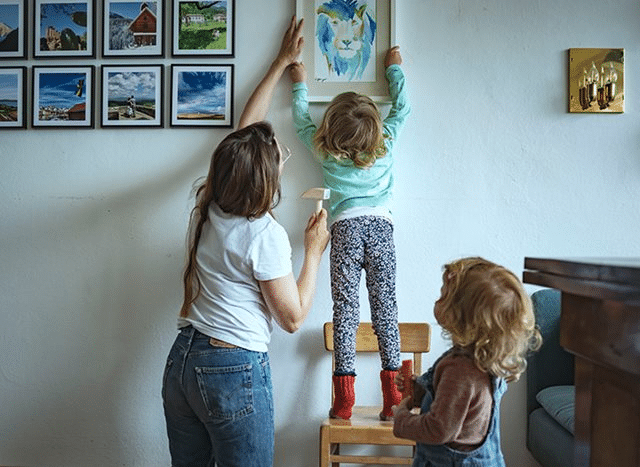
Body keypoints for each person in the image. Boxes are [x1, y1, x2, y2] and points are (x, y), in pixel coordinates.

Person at [162, 17, 330, 467]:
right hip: (229, 369)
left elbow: (245, 131)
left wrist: (280, 62)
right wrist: (313, 252)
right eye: (281, 158)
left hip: (183, 361)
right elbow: (293, 318)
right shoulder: (264, 234)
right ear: (265, 177)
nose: (284, 161)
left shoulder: (212, 205)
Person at [287, 46, 410, 420]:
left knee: (346, 313)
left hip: (344, 231)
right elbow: (403, 108)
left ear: (332, 130)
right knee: (385, 309)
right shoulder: (385, 143)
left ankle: (344, 401)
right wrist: (394, 70)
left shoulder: (325, 151)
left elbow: (300, 121)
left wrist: (299, 84)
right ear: (374, 127)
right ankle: (394, 398)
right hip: (380, 229)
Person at [392, 257, 542, 467]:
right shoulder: (484, 361)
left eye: (443, 297)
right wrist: (420, 391)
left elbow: (439, 429)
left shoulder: (460, 371)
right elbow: (462, 407)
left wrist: (402, 418)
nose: (437, 301)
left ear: (463, 317)